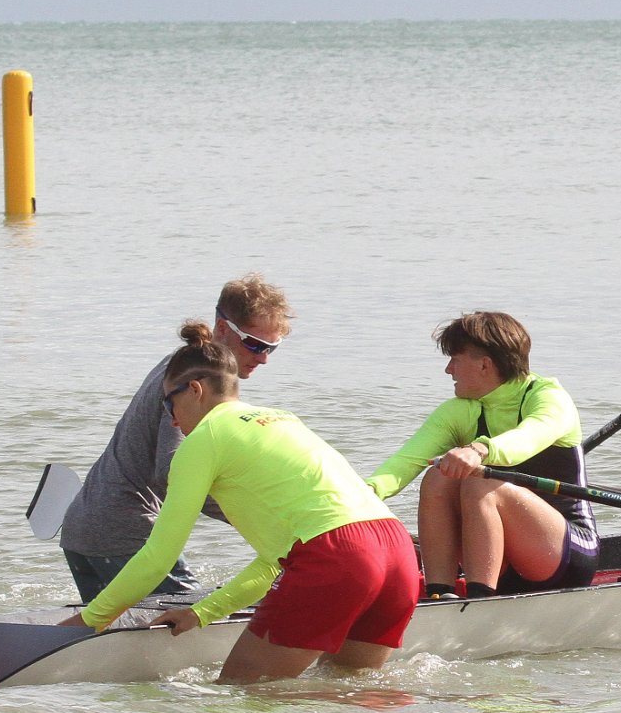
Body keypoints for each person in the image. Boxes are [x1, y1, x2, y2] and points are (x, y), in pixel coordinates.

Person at [66, 322, 419, 684]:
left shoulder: (203, 440)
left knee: (240, 696)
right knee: (353, 696)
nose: (171, 418)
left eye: (169, 402)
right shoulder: (284, 420)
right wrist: (201, 613)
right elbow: (276, 561)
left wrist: (87, 622)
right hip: (397, 551)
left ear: (195, 390)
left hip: (339, 557)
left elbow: (160, 555)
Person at [59, 275, 292, 602]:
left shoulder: (183, 362)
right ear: (223, 329)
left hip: (82, 529)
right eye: (255, 344)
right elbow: (171, 470)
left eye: (272, 347)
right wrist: (257, 521)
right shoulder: (195, 383)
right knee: (187, 623)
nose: (264, 357)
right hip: (125, 536)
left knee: (119, 640)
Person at [366, 312, 598, 600]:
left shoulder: (548, 397)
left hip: (564, 553)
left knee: (479, 483)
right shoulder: (461, 410)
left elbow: (529, 437)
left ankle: (480, 600)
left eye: (455, 359)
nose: (448, 370)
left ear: (485, 365)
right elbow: (406, 460)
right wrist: (364, 493)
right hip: (498, 559)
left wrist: (479, 450)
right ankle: (441, 593)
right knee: (438, 476)